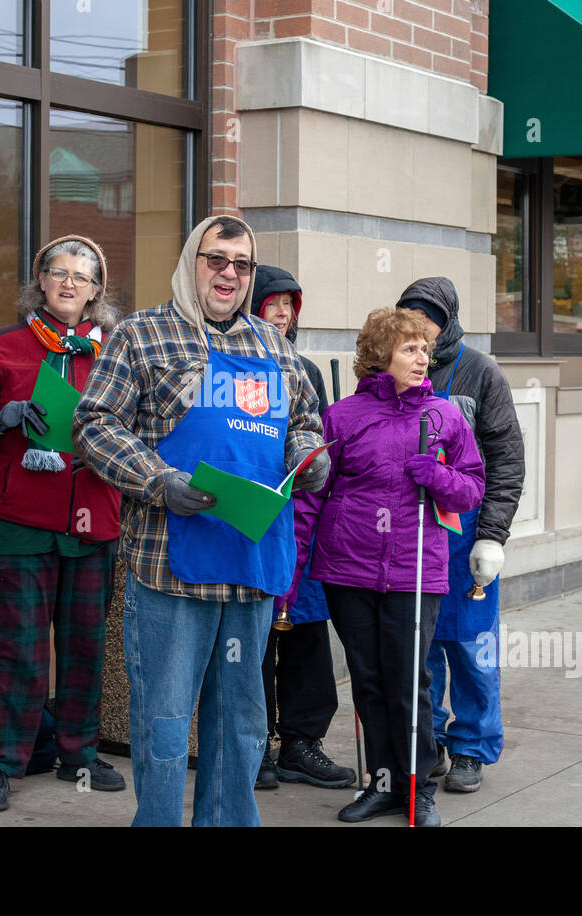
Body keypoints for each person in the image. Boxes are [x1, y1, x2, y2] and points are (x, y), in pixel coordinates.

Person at [72, 215, 327, 827]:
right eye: (216, 259)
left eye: (241, 264)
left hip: (249, 562)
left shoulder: (274, 346)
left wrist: (308, 457)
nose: (229, 274)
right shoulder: (141, 335)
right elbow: (94, 425)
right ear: (192, 261)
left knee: (240, 723)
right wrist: (159, 480)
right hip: (168, 566)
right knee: (164, 721)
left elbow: (306, 423)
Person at [0, 235, 125, 812]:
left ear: (97, 291)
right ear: (41, 282)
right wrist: (2, 418)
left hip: (91, 519)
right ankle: (0, 763)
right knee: (17, 649)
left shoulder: (114, 353)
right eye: (59, 272)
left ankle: (78, 754)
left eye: (82, 276)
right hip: (18, 522)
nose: (70, 283)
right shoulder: (6, 347)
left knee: (84, 646)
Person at [291, 307, 484, 827]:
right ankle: (382, 785)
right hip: (347, 568)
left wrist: (439, 478)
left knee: (408, 681)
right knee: (369, 680)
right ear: (381, 357)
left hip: (414, 570)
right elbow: (311, 498)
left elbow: (472, 487)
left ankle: (418, 788)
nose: (423, 358)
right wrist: (294, 567)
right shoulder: (342, 418)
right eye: (410, 349)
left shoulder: (445, 416)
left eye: (425, 349)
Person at [397, 277, 525, 794]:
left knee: (471, 646)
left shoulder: (480, 373)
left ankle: (471, 747)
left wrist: (491, 536)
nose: (420, 324)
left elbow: (507, 460)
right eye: (410, 313)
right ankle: (428, 742)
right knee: (420, 648)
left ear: (446, 320)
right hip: (410, 537)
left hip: (465, 537)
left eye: (429, 315)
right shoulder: (395, 369)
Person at [251, 266, 353, 790]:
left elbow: (316, 446)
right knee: (251, 643)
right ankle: (256, 746)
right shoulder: (228, 362)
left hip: (302, 521)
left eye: (291, 305)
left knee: (306, 636)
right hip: (249, 519)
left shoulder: (305, 370)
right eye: (274, 303)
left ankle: (300, 742)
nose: (285, 314)